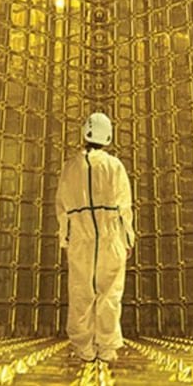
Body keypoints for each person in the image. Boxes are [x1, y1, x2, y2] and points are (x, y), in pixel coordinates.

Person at [54, 111, 135, 363]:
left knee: (80, 293)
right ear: (108, 136)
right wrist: (128, 239)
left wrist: (66, 240)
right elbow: (124, 207)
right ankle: (107, 349)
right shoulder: (114, 166)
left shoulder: (70, 167)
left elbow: (63, 208)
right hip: (111, 239)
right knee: (110, 294)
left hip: (80, 239)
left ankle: (84, 349)